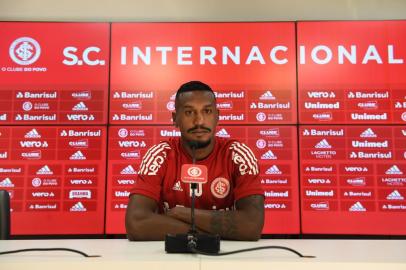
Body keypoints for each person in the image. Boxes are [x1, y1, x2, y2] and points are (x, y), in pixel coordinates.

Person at [125, 81, 264, 241]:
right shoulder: (159, 155)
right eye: (189, 112)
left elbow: (252, 226)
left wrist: (182, 213)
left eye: (207, 111)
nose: (199, 121)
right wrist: (210, 234)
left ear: (217, 116)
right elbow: (136, 224)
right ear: (174, 118)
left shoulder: (238, 154)